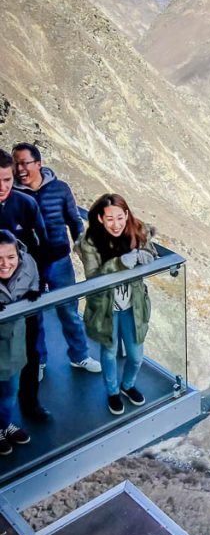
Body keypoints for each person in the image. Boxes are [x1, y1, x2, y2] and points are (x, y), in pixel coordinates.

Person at [12, 142, 100, 377]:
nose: (20, 168)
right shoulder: (13, 194)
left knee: (69, 311)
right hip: (29, 266)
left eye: (25, 162)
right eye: (16, 163)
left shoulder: (60, 188)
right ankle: (38, 361)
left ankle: (79, 356)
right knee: (34, 315)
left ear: (38, 164)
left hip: (60, 261)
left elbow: (74, 220)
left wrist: (82, 247)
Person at [76, 193, 157, 416]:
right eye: (110, 218)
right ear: (100, 219)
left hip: (133, 304)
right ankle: (112, 392)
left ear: (127, 215)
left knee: (136, 355)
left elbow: (150, 252)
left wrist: (146, 255)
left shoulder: (137, 230)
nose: (116, 224)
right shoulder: (90, 242)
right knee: (109, 352)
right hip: (106, 307)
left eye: (120, 217)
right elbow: (93, 277)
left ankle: (128, 386)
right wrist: (120, 263)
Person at [0, 148, 50, 422]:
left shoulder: (25, 204)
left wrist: (36, 285)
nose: (2, 187)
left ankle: (30, 405)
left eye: (7, 180)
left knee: (30, 351)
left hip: (24, 297)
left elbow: (40, 247)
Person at [0, 231, 40, 455]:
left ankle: (4, 425)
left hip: (15, 342)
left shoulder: (27, 264)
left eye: (10, 257)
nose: (5, 264)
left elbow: (34, 277)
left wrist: (33, 291)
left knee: (10, 390)